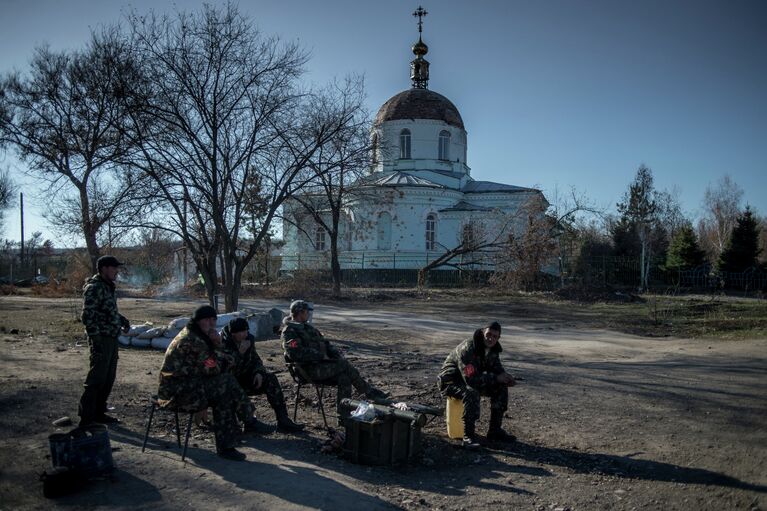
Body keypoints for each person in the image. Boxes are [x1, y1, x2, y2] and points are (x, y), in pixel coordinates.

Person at [157, 305, 260, 461]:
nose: (211, 323)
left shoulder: (199, 335)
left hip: (189, 385)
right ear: (198, 321)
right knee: (225, 382)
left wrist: (220, 354)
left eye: (214, 319)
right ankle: (247, 420)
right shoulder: (193, 340)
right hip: (177, 392)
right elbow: (215, 368)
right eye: (207, 320)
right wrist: (218, 344)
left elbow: (217, 366)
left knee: (223, 393)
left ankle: (230, 441)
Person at [281, 300, 389, 425]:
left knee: (344, 378)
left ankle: (343, 416)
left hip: (320, 366)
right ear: (300, 313)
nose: (308, 315)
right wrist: (321, 356)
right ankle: (370, 393)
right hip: (306, 369)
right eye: (306, 312)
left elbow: (325, 343)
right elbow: (295, 353)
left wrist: (334, 354)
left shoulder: (308, 328)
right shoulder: (289, 331)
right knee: (343, 365)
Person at [437, 321, 516, 448]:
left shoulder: (493, 349)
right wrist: (496, 378)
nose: (491, 338)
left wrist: (507, 378)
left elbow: (497, 369)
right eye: (488, 334)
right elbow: (471, 380)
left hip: (470, 380)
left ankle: (495, 431)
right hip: (450, 382)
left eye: (495, 336)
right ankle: (468, 437)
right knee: (471, 392)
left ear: (498, 338)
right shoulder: (468, 348)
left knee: (501, 388)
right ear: (482, 333)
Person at [220, 318, 304, 433]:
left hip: (246, 379)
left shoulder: (248, 340)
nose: (245, 334)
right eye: (242, 332)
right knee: (232, 385)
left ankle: (283, 420)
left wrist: (258, 373)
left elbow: (256, 360)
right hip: (230, 385)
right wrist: (239, 353)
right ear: (233, 333)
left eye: (246, 331)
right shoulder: (223, 344)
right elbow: (226, 371)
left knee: (270, 379)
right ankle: (249, 422)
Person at [78, 255, 130, 426]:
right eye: (114, 268)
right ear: (105, 269)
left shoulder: (107, 287)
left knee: (108, 378)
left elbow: (106, 310)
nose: (116, 271)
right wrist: (96, 340)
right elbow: (87, 316)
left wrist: (122, 319)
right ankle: (87, 417)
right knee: (96, 379)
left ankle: (99, 412)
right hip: (101, 339)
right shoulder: (95, 288)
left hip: (111, 337)